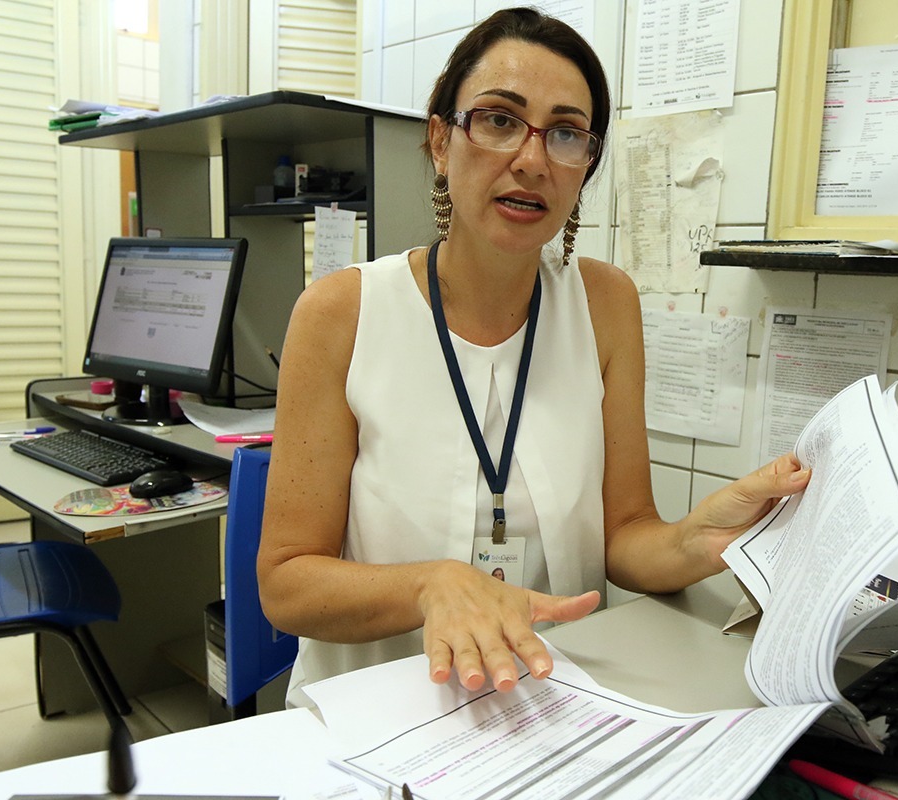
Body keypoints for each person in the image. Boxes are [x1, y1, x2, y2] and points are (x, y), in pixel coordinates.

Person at [257, 7, 810, 708]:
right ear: (439, 139)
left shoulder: (605, 305)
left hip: (549, 703)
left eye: (567, 134)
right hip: (377, 712)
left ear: (586, 165)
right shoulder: (342, 313)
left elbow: (626, 536)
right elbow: (286, 583)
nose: (531, 159)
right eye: (497, 120)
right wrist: (434, 584)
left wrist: (701, 538)